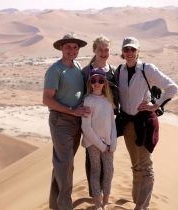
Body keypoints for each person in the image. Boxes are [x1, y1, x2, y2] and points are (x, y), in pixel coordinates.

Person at [115, 37, 178, 210]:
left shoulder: (147, 69)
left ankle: (142, 207)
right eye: (126, 50)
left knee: (145, 165)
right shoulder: (119, 70)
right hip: (128, 123)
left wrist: (155, 105)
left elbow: (172, 88)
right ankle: (136, 199)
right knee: (136, 165)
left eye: (133, 50)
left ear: (138, 51)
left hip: (144, 124)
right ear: (122, 52)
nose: (129, 53)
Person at [43, 32, 91, 210]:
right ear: (61, 48)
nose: (72, 50)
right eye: (68, 46)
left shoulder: (78, 66)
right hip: (61, 121)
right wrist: (72, 110)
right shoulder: (55, 70)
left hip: (76, 122)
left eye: (75, 47)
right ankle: (65, 206)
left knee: (61, 166)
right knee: (65, 166)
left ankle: (55, 206)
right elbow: (47, 99)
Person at [82, 35, 118, 198]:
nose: (103, 53)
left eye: (106, 50)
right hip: (90, 122)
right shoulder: (86, 72)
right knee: (93, 163)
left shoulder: (113, 71)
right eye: (100, 49)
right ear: (94, 50)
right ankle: (95, 196)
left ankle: (104, 196)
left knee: (108, 164)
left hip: (109, 122)